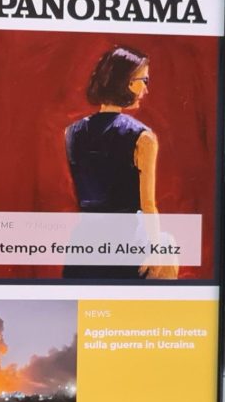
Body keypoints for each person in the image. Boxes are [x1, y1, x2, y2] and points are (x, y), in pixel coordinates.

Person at [62, 45, 177, 280]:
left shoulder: (72, 132)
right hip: (127, 244)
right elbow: (148, 205)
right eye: (144, 80)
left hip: (84, 246)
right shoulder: (143, 138)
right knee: (168, 247)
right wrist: (156, 250)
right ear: (127, 82)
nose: (146, 89)